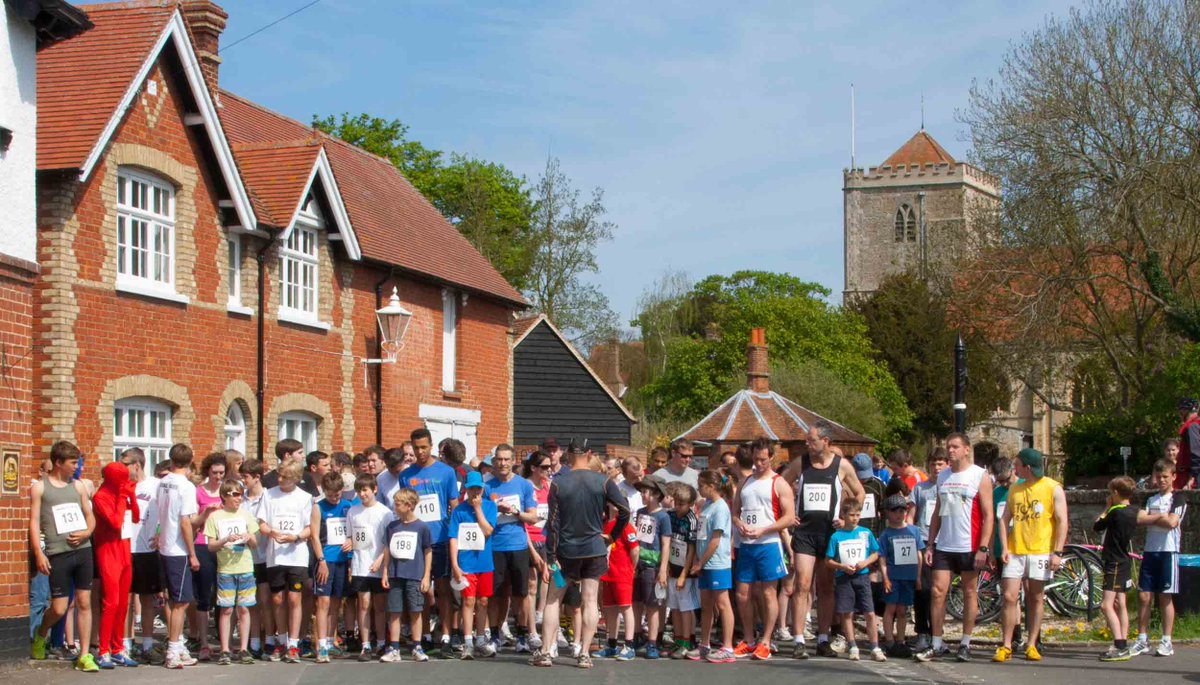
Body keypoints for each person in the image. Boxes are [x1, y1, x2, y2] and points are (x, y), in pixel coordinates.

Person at [530, 438, 630, 668]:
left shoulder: (558, 484)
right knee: (589, 600)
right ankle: (584, 653)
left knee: (553, 599)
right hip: (594, 547)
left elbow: (553, 524)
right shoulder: (603, 481)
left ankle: (546, 651)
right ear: (589, 453)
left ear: (568, 454)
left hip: (566, 549)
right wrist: (612, 536)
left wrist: (551, 557)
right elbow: (624, 510)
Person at [783, 423, 862, 659]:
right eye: (807, 440)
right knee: (803, 584)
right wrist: (788, 512)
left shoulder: (841, 465)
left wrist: (846, 518)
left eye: (812, 440)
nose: (807, 444)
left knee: (826, 588)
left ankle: (823, 638)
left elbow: (859, 492)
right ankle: (798, 639)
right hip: (805, 532)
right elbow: (781, 483)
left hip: (829, 534)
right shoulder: (801, 463)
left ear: (825, 441)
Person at [916, 433, 994, 663]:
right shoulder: (943, 476)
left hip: (969, 544)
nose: (950, 450)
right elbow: (938, 511)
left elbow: (989, 515)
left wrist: (983, 547)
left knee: (969, 591)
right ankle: (937, 642)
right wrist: (930, 544)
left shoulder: (979, 475)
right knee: (937, 592)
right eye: (948, 446)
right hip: (945, 544)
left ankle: (965, 642)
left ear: (967, 449)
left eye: (955, 447)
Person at [993, 448, 1066, 663]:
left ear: (1028, 467)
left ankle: (1032, 643)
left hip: (1041, 550)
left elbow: (1062, 521)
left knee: (1035, 597)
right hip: (1016, 550)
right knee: (1009, 596)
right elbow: (1004, 519)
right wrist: (1005, 547)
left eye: (1017, 465)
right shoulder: (1016, 488)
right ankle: (1006, 644)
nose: (1014, 469)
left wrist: (1058, 552)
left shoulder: (1053, 488)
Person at [30, 442, 97, 671]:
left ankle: (85, 654)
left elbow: (90, 516)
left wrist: (87, 532)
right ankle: (41, 634)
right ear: (58, 463)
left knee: (84, 602)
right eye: (72, 463)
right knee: (59, 608)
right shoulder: (40, 488)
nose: (76, 467)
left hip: (83, 550)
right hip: (57, 553)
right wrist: (39, 553)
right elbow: (34, 522)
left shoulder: (78, 486)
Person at [732, 437, 796, 661]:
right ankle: (749, 639)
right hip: (747, 545)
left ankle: (766, 641)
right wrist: (739, 524)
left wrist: (765, 530)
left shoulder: (779, 483)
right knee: (742, 594)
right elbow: (735, 511)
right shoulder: (745, 482)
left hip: (768, 545)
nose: (758, 464)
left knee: (769, 592)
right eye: (755, 460)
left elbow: (789, 518)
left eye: (762, 460)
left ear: (771, 458)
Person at [398, 428, 460, 654]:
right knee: (421, 589)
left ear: (431, 446)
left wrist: (456, 537)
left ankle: (445, 636)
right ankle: (423, 634)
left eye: (424, 447)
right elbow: (404, 506)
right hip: (416, 542)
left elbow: (454, 505)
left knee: (443, 589)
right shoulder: (406, 475)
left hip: (441, 540)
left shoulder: (446, 472)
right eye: (416, 448)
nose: (420, 452)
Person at [257, 460, 314, 663]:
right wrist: (272, 532)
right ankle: (280, 640)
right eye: (279, 475)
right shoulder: (269, 494)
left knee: (294, 598)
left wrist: (296, 537)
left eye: (285, 477)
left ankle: (293, 644)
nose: (280, 479)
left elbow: (309, 529)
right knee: (277, 599)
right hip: (275, 556)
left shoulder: (305, 498)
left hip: (297, 556)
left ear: (296, 478)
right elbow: (262, 524)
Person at [483, 444, 538, 653]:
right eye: (499, 459)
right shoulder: (488, 487)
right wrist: (494, 509)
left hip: (518, 545)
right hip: (495, 546)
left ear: (513, 461)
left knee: (521, 594)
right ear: (494, 462)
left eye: (506, 459)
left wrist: (515, 512)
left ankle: (522, 636)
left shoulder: (523, 485)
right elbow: (481, 517)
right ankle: (495, 635)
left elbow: (532, 517)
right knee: (496, 594)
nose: (503, 463)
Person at [1133, 459, 1187, 657]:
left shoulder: (1178, 499)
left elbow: (1172, 522)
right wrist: (1159, 517)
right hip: (1150, 551)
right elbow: (1139, 519)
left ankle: (1167, 640)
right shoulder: (1149, 499)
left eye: (1165, 476)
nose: (1162, 480)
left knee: (1164, 597)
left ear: (1173, 477)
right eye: (1158, 477)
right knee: (1143, 595)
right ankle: (1142, 639)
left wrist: (1153, 518)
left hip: (1168, 552)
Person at [205, 479, 260, 665]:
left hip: (245, 567)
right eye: (235, 494)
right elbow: (211, 546)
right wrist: (225, 539)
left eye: (240, 494)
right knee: (227, 609)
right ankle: (225, 649)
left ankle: (244, 648)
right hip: (226, 569)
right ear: (225, 496)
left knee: (244, 608)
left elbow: (254, 543)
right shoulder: (215, 517)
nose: (239, 498)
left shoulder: (246, 515)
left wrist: (247, 537)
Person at [156, 443, 200, 669]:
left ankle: (179, 646)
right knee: (181, 603)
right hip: (178, 549)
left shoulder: (162, 482)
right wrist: (192, 553)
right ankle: (173, 649)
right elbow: (185, 521)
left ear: (171, 460)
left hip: (165, 547)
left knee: (174, 600)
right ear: (190, 461)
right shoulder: (186, 486)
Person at [92, 460, 140, 669]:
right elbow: (115, 522)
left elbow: (135, 518)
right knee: (110, 603)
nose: (125, 482)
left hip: (124, 551)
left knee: (123, 604)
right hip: (108, 553)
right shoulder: (101, 497)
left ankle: (118, 648)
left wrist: (131, 497)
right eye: (121, 479)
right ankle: (103, 651)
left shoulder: (121, 494)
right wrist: (123, 497)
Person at [826, 499, 884, 662]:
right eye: (851, 515)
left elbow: (875, 552)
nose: (855, 518)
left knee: (870, 613)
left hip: (862, 576)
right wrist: (841, 566)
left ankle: (875, 646)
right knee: (846, 612)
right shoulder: (836, 537)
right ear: (843, 515)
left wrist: (865, 562)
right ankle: (852, 645)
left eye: (858, 515)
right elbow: (828, 560)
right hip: (844, 578)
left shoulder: (865, 532)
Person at [450, 470, 498, 659]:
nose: (475, 492)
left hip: (485, 563)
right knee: (468, 601)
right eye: (471, 489)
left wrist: (478, 509)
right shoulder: (458, 511)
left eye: (478, 488)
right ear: (466, 490)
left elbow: (488, 531)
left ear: (482, 489)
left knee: (483, 601)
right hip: (466, 563)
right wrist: (455, 564)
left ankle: (480, 639)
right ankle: (468, 641)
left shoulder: (489, 507)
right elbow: (453, 538)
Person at [381, 488, 433, 663]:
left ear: (409, 506)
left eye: (398, 504)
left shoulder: (422, 527)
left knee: (415, 611)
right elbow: (387, 549)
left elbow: (427, 551)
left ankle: (417, 646)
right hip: (395, 575)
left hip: (414, 575)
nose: (394, 507)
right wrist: (385, 572)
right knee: (394, 611)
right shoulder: (392, 527)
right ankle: (394, 648)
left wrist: (426, 576)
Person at [122, 448, 163, 664]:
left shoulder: (155, 486)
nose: (123, 467)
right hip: (125, 548)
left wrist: (159, 534)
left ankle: (147, 644)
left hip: (147, 549)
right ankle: (126, 644)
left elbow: (166, 514)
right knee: (126, 598)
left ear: (136, 465)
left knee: (147, 599)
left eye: (125, 463)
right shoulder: (121, 485)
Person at [346, 473, 393, 660]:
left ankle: (381, 642)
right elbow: (350, 536)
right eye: (359, 490)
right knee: (363, 605)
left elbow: (389, 542)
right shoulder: (353, 511)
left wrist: (380, 560)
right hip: (360, 565)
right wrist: (348, 544)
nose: (362, 494)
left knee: (380, 606)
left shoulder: (385, 513)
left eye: (365, 490)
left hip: (378, 566)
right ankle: (365, 645)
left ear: (374, 489)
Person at [1094, 476, 1139, 662]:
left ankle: (1120, 645)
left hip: (1114, 562)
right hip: (1124, 560)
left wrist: (1106, 507)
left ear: (1115, 493)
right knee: (1121, 603)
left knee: (1106, 605)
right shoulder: (1133, 511)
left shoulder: (1114, 512)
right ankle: (1123, 639)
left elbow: (1097, 525)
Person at [693, 470, 736, 663]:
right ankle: (704, 644)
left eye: (701, 485)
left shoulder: (720, 508)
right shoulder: (707, 505)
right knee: (706, 605)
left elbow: (715, 540)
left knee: (722, 603)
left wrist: (701, 562)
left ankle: (727, 647)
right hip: (705, 563)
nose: (698, 488)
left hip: (717, 562)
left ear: (711, 487)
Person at [310, 471, 353, 663]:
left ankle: (330, 640)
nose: (334, 499)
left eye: (337, 494)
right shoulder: (318, 508)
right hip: (326, 560)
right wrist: (321, 561)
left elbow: (352, 532)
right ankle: (321, 646)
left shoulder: (347, 506)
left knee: (336, 602)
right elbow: (314, 537)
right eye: (330, 495)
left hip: (342, 561)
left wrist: (351, 542)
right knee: (323, 602)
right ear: (323, 491)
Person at [908, 448, 947, 651]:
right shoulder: (920, 488)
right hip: (923, 542)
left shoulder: (949, 487)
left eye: (941, 463)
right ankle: (922, 632)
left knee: (939, 591)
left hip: (945, 543)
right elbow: (911, 516)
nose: (937, 467)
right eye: (933, 464)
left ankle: (937, 634)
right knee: (922, 589)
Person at [631, 474, 671, 659]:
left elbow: (665, 544)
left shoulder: (663, 516)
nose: (642, 495)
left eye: (645, 492)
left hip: (653, 566)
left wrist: (662, 569)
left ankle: (653, 642)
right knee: (636, 602)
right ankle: (637, 634)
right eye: (641, 491)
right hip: (638, 563)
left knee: (653, 606)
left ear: (656, 495)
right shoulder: (640, 512)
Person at [878, 494, 923, 657]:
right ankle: (889, 641)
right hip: (893, 576)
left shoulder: (914, 531)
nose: (899, 514)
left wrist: (918, 577)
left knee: (903, 610)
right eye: (894, 511)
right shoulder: (886, 534)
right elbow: (882, 557)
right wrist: (885, 578)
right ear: (888, 513)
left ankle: (901, 640)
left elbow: (919, 555)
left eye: (902, 510)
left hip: (908, 576)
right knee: (890, 608)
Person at [191, 452, 226, 661]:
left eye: (221, 472)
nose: (218, 477)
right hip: (203, 544)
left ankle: (224, 644)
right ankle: (204, 643)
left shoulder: (228, 491)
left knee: (224, 596)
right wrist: (207, 513)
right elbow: (193, 522)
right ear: (207, 472)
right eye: (214, 473)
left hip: (224, 546)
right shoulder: (199, 492)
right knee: (204, 596)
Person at [595, 501, 638, 661]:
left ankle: (629, 645)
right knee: (610, 610)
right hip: (608, 574)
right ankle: (611, 644)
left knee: (626, 608)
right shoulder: (606, 523)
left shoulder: (625, 525)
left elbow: (635, 549)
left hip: (622, 574)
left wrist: (631, 569)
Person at [239, 458, 272, 659]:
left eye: (246, 477)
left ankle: (269, 639)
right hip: (245, 557)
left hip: (266, 556)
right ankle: (254, 641)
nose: (242, 480)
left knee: (266, 600)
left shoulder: (269, 497)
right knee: (248, 602)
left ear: (257, 477)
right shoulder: (240, 499)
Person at [665, 482, 701, 659]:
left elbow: (692, 549)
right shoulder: (670, 515)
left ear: (690, 504)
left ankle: (687, 641)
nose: (678, 507)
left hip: (685, 572)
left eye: (682, 504)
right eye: (676, 503)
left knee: (686, 607)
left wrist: (683, 574)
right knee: (675, 607)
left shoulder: (692, 520)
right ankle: (678, 641)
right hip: (672, 567)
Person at [522, 451, 552, 651]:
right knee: (531, 586)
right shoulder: (525, 486)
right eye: (544, 467)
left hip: (546, 540)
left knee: (548, 579)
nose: (549, 471)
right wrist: (531, 549)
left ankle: (541, 614)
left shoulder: (548, 487)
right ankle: (531, 630)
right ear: (534, 468)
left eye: (550, 467)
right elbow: (522, 522)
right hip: (530, 540)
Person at [1174, 398, 1199, 490]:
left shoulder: (1192, 426)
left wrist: (1192, 478)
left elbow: (1196, 454)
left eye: (1181, 410)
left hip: (1194, 476)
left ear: (1184, 411)